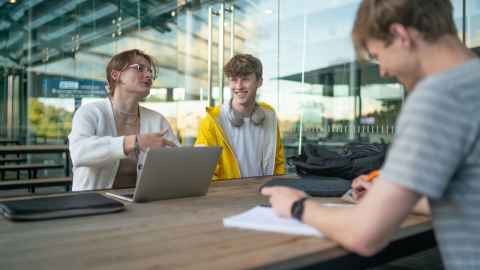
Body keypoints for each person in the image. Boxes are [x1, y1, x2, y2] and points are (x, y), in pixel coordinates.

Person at [262, 0, 480, 269]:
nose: (383, 71)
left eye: (378, 56)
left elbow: (364, 235)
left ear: (401, 36)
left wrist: (299, 207)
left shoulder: (439, 96)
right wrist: (390, 196)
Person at [69, 49, 179, 191]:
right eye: (140, 68)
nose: (148, 75)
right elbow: (79, 153)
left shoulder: (157, 120)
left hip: (144, 206)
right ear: (116, 75)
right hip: (92, 204)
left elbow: (177, 162)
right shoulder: (89, 112)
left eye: (150, 71)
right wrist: (134, 142)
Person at [195, 54, 285, 180]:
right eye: (234, 80)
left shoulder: (269, 117)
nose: (238, 86)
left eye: (245, 79)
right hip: (229, 197)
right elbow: (203, 171)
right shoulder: (212, 121)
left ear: (259, 82)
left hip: (264, 195)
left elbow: (278, 163)